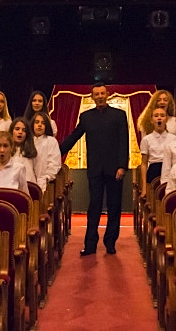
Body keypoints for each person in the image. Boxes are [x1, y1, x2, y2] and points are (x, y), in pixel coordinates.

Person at [60, 83, 129, 256]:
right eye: (96, 94)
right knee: (94, 207)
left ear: (108, 94)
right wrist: (56, 150)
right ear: (92, 97)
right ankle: (90, 244)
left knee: (114, 206)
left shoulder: (119, 115)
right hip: (95, 169)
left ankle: (110, 242)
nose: (99, 96)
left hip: (115, 169)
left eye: (102, 93)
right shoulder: (86, 117)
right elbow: (74, 137)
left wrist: (122, 166)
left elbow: (124, 141)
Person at [140, 107, 176, 197]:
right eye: (156, 116)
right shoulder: (146, 139)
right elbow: (144, 163)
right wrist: (144, 187)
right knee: (154, 198)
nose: (159, 118)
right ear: (152, 120)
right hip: (154, 169)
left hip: (169, 169)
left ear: (166, 119)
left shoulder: (174, 138)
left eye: (162, 115)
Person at [32, 112, 62, 191]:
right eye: (37, 122)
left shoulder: (51, 141)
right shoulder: (28, 142)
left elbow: (55, 163)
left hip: (45, 182)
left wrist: (47, 177)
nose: (39, 125)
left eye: (43, 123)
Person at [9, 117, 38, 184]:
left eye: (24, 130)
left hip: (28, 185)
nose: (20, 132)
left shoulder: (31, 152)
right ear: (11, 131)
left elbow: (39, 173)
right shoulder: (7, 151)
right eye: (17, 129)